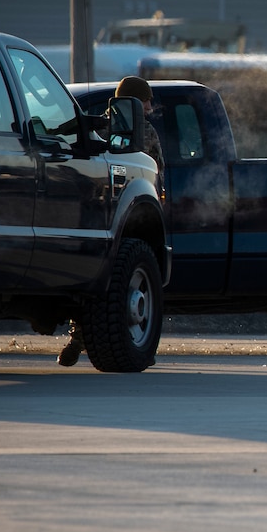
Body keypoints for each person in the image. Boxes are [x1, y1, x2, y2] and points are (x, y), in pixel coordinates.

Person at [59, 75, 166, 369]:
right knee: (127, 283)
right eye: (146, 100)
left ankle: (78, 339)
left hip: (93, 213)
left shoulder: (93, 125)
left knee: (92, 283)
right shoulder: (144, 130)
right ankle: (133, 342)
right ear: (134, 99)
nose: (149, 106)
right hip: (134, 218)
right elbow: (156, 172)